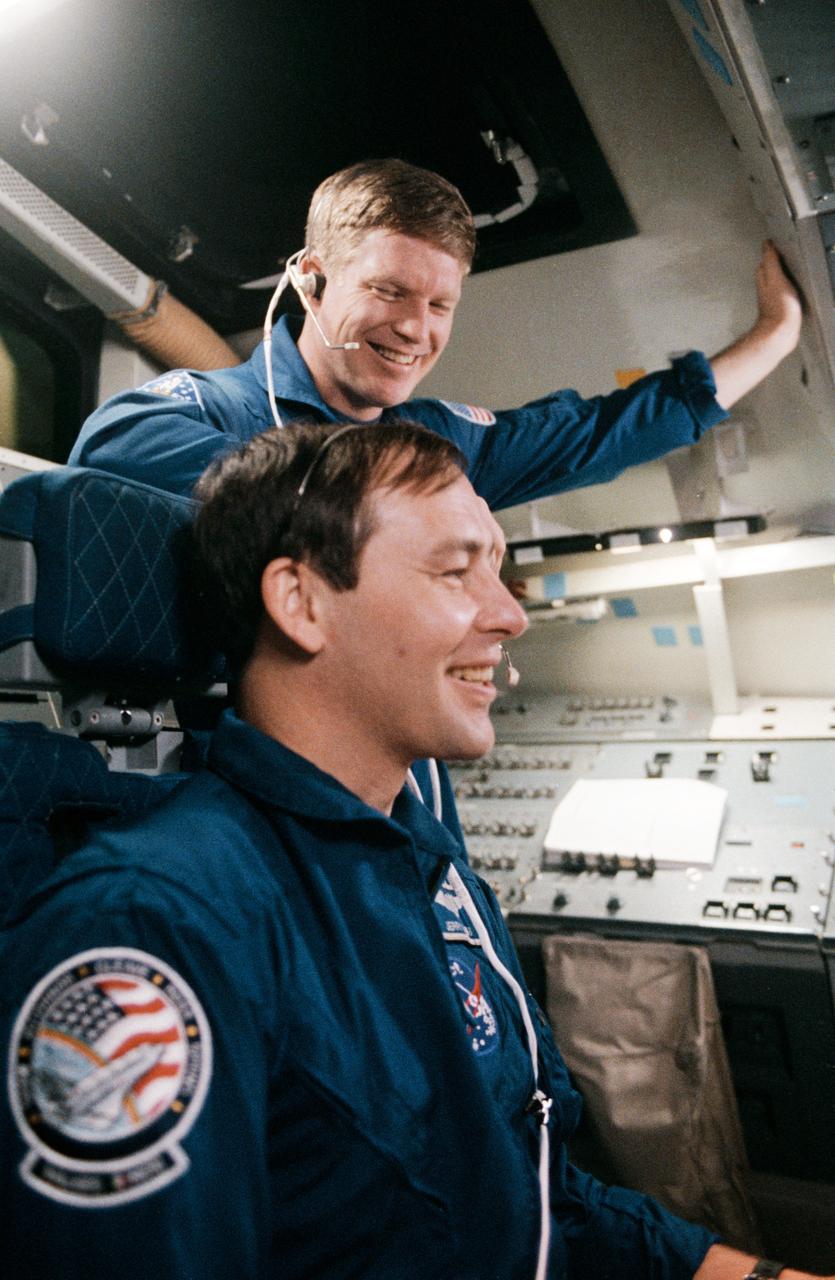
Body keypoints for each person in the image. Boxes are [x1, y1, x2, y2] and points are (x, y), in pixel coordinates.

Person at [2, 422, 830, 1280]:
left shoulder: (426, 865)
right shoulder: (152, 924)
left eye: (496, 569)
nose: (509, 614)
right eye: (453, 570)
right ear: (302, 602)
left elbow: (530, 1199)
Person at [68, 158, 803, 507]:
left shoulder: (435, 445)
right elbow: (111, 450)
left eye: (440, 305)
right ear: (309, 279)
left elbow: (600, 433)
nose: (416, 330)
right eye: (388, 291)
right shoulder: (201, 410)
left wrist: (775, 335)